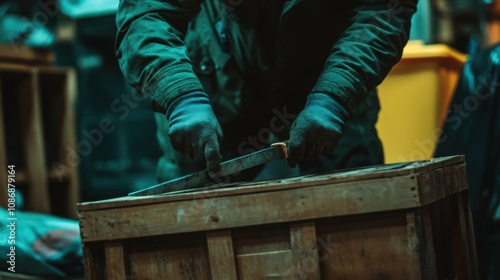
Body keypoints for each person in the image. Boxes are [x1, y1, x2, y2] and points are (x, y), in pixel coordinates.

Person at [115, 0, 418, 183]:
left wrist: (335, 96)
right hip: (214, 83)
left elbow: (383, 9)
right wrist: (180, 95)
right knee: (189, 222)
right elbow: (148, 12)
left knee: (359, 209)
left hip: (327, 73)